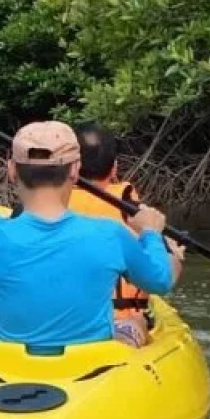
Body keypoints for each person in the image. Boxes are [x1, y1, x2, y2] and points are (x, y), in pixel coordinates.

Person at [0, 86, 174, 350]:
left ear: (12, 170)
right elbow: (159, 281)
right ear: (75, 170)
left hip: (13, 366)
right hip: (93, 366)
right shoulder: (111, 235)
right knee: (133, 321)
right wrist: (150, 232)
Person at [69, 122, 185, 345]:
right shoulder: (133, 213)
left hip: (61, 321)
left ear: (70, 168)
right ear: (113, 168)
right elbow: (162, 278)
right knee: (138, 321)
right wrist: (173, 254)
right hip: (120, 322)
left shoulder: (46, 209)